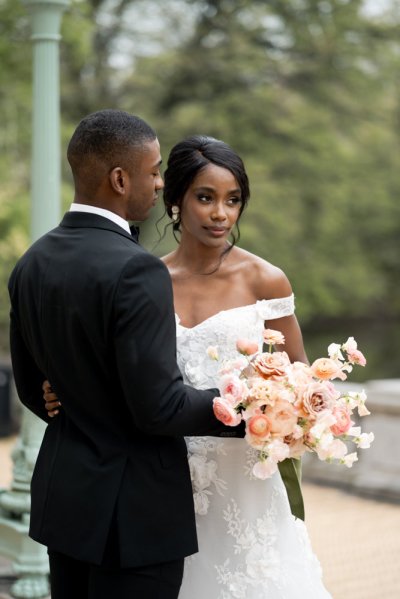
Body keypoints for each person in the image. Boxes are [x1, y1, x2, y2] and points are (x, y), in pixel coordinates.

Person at [45, 134, 332, 597]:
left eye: (232, 200)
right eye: (206, 198)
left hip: (243, 482)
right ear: (175, 200)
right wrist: (57, 388)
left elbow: (305, 382)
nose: (221, 213)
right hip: (160, 481)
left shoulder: (265, 279)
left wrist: (277, 411)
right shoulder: (142, 278)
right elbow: (114, 373)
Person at [8, 111, 243, 599]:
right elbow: (158, 407)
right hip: (134, 517)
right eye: (154, 170)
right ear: (119, 179)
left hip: (65, 505)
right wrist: (249, 409)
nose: (160, 183)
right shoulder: (137, 270)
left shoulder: (32, 262)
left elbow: (34, 391)